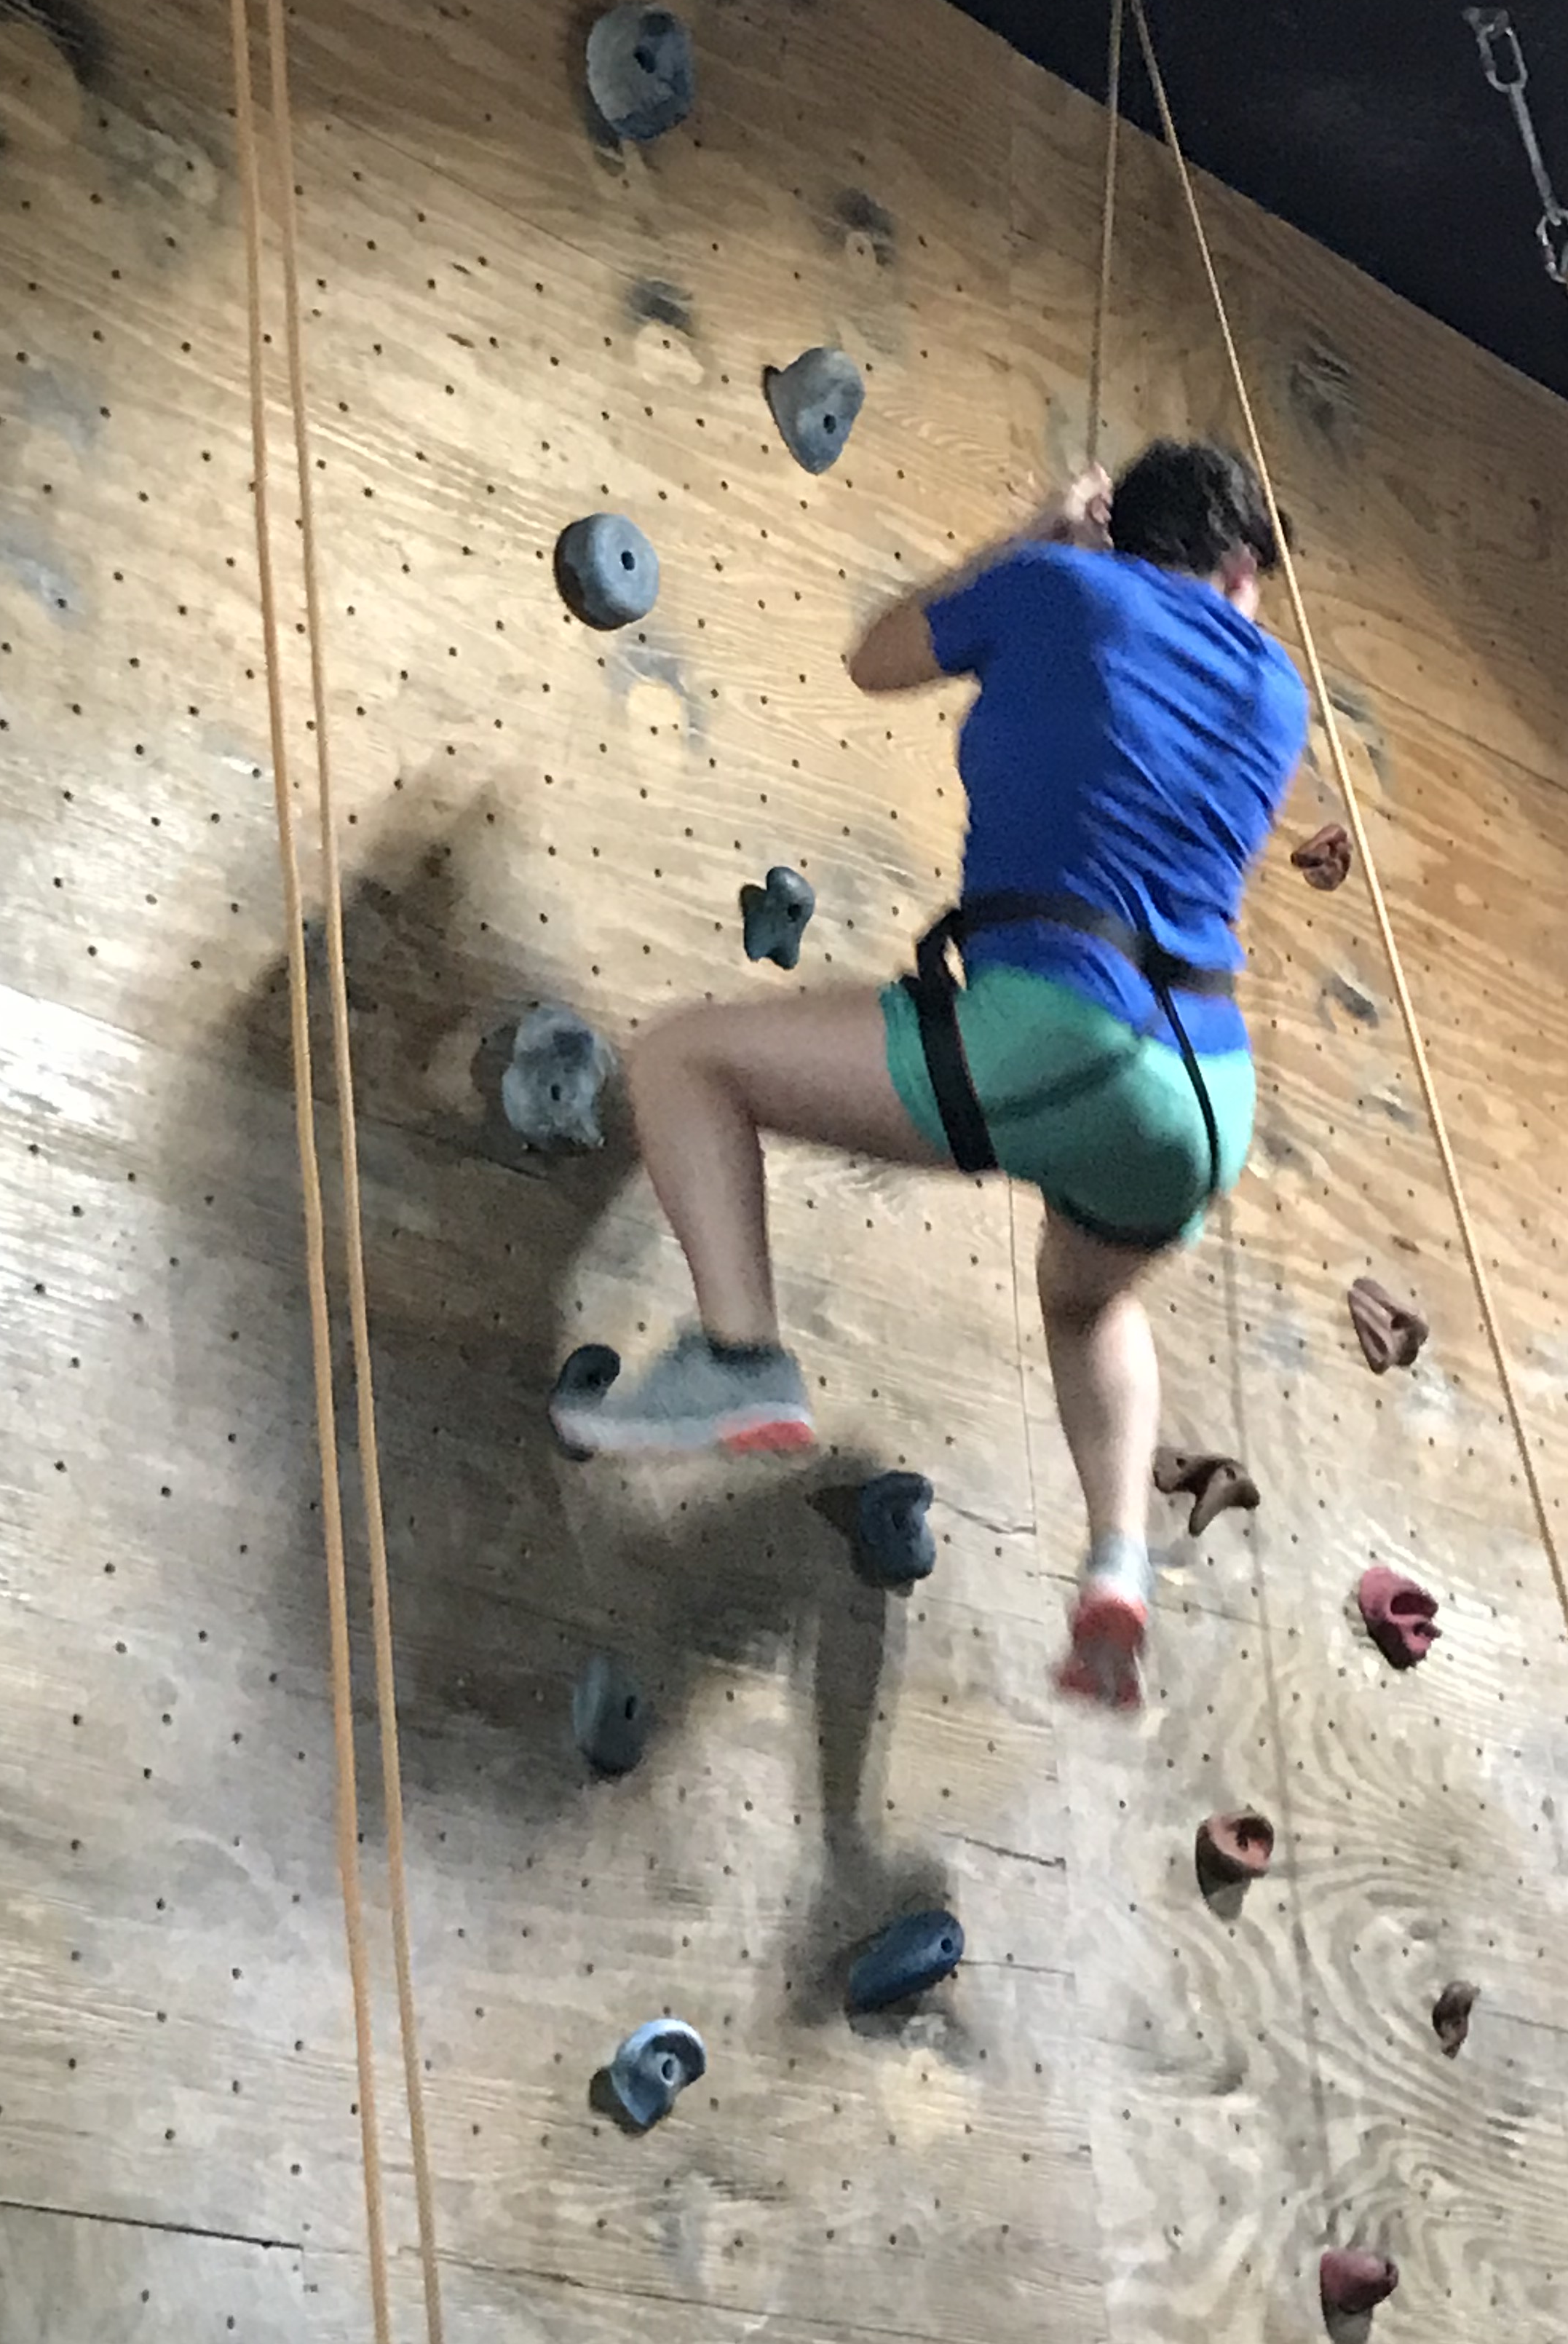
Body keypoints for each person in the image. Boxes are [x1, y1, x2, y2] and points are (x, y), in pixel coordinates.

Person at [558, 438, 1310, 1706]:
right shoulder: (1278, 692)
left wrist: (1041, 535)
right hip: (1207, 1097)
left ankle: (739, 1357)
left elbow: (875, 657)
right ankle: (1118, 1561)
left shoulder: (1057, 585)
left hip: (1060, 1034)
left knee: (686, 1061)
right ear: (1241, 571)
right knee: (1089, 1306)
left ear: (1123, 536)